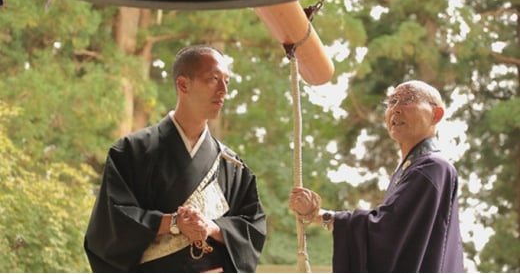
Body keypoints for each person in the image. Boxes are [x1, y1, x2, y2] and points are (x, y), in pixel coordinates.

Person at [84, 44, 267, 272]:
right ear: (183, 84)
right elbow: (112, 222)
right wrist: (173, 223)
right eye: (213, 79)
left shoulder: (232, 166)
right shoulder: (132, 151)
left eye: (226, 82)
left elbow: (253, 228)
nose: (223, 90)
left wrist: (211, 227)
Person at [289, 80, 464, 272]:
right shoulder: (411, 168)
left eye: (407, 100)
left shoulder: (432, 167)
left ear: (436, 114)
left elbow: (387, 230)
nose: (395, 109)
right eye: (392, 102)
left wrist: (320, 215)